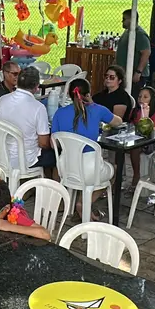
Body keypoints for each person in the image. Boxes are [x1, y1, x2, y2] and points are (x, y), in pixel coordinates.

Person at [51, 79, 116, 220]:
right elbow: (118, 121)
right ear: (88, 94)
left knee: (87, 175)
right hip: (90, 169)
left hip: (66, 168)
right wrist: (92, 103)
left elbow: (53, 144)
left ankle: (79, 203)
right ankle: (85, 202)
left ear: (69, 95)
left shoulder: (59, 113)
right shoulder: (98, 110)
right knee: (114, 170)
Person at [0, 66, 55, 172]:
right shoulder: (38, 107)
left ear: (17, 82)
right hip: (26, 160)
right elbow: (43, 143)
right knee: (57, 154)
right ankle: (45, 182)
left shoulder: (2, 100)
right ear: (37, 86)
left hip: (1, 156)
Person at [127, 86, 155, 189]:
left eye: (145, 97)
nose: (141, 99)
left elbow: (151, 132)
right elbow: (129, 126)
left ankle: (136, 175)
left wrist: (145, 118)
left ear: (152, 100)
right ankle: (117, 175)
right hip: (133, 139)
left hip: (149, 142)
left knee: (135, 148)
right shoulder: (134, 111)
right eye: (139, 97)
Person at [117, 9, 151, 94]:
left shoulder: (140, 34)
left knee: (134, 96)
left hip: (135, 74)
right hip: (125, 72)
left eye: (124, 19)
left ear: (131, 19)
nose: (122, 21)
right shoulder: (127, 32)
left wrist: (138, 72)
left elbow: (146, 53)